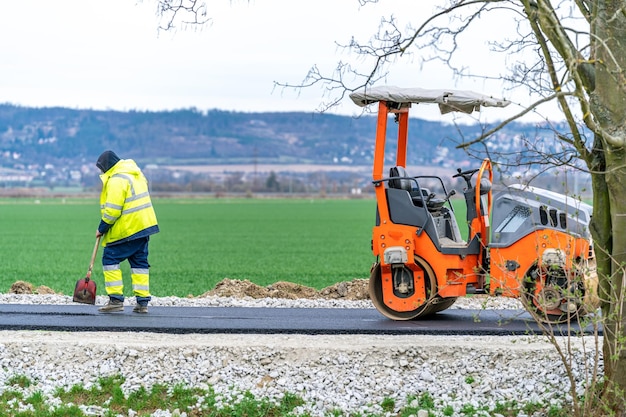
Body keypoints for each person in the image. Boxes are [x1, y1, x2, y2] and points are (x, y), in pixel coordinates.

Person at [95, 150, 159, 313]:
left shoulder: (117, 180)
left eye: (101, 168)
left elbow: (113, 211)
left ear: (106, 166)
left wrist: (101, 228)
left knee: (110, 259)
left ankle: (116, 300)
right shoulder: (135, 174)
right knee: (140, 265)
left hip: (128, 228)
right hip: (144, 228)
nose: (101, 172)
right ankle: (142, 302)